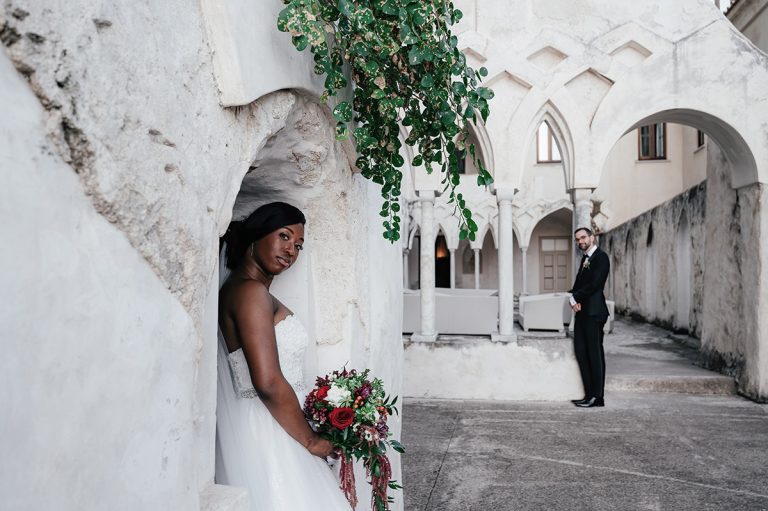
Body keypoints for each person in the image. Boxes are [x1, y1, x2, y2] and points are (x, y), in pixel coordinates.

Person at [215, 201, 349, 510]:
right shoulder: (250, 292)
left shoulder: (247, 290)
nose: (291, 250)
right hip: (273, 430)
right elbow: (268, 381)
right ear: (257, 236)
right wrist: (311, 440)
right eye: (284, 236)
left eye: (298, 245)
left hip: (281, 423)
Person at [568, 227, 610, 408]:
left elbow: (595, 284)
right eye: (577, 239)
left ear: (592, 238)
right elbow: (578, 285)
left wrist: (575, 297)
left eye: (583, 238)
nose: (580, 242)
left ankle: (598, 397)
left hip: (594, 313)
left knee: (595, 354)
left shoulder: (601, 257)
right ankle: (588, 395)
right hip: (582, 313)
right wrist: (572, 297)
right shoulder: (585, 259)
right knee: (581, 352)